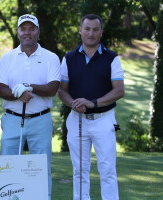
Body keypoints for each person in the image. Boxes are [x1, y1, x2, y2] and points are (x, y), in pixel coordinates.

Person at [58, 14, 125, 200]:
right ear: (80, 30)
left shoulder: (112, 58)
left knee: (107, 169)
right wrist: (73, 103)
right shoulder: (69, 58)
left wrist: (93, 103)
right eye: (87, 29)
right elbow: (62, 91)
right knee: (79, 170)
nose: (91, 33)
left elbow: (119, 90)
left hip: (103, 120)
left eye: (95, 29)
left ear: (101, 32)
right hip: (77, 119)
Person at [0, 14, 61, 199]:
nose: (27, 32)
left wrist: (29, 87)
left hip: (41, 120)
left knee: (40, 167)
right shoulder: (7, 58)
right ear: (18, 32)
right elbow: (1, 89)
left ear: (38, 31)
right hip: (12, 119)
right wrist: (19, 93)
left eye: (31, 28)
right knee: (7, 166)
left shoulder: (51, 57)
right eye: (23, 28)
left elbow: (52, 88)